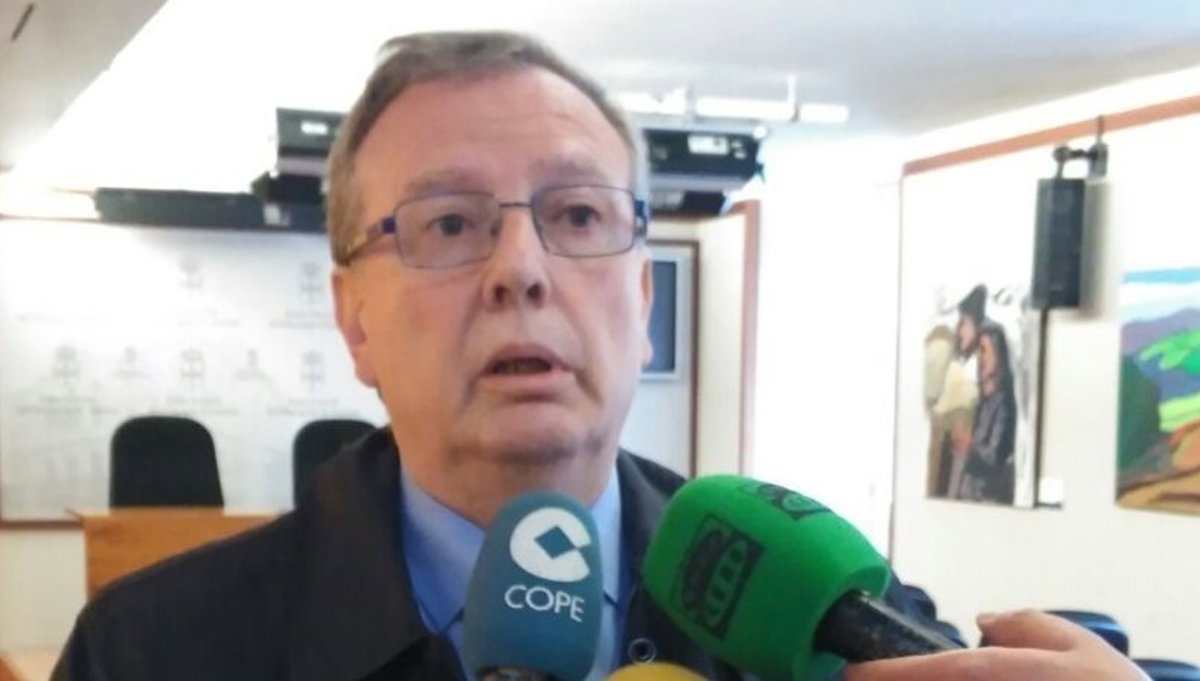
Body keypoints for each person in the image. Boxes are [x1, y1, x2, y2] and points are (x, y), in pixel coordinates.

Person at [52, 30, 1147, 681]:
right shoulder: (151, 652)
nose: (521, 269)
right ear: (356, 322)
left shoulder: (826, 618)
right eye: (447, 223)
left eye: (577, 216)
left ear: (643, 296)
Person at [956, 325, 1017, 503]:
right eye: (977, 351)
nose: (979, 358)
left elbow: (996, 459)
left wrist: (969, 449)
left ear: (998, 354)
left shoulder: (1005, 404)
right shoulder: (980, 402)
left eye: (983, 350)